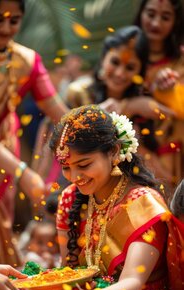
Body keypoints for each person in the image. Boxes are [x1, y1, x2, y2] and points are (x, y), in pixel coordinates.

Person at [35, 105, 184, 290]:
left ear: (114, 152)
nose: (75, 177)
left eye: (84, 165)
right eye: (66, 168)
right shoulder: (70, 199)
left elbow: (133, 281)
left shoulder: (142, 203)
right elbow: (69, 271)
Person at [0, 0, 68, 265]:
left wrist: (102, 126)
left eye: (14, 20)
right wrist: (22, 172)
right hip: (7, 162)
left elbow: (60, 113)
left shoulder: (26, 61)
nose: (6, 28)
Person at [66, 26, 176, 184]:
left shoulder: (146, 109)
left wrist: (131, 142)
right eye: (115, 62)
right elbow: (63, 149)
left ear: (140, 72)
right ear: (104, 57)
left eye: (130, 67)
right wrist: (118, 110)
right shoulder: (79, 94)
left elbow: (167, 179)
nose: (119, 73)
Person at [134, 0, 184, 185]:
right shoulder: (126, 55)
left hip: (173, 154)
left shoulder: (180, 61)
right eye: (150, 14)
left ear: (176, 21)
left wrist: (168, 91)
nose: (156, 23)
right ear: (141, 13)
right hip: (132, 148)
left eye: (165, 17)